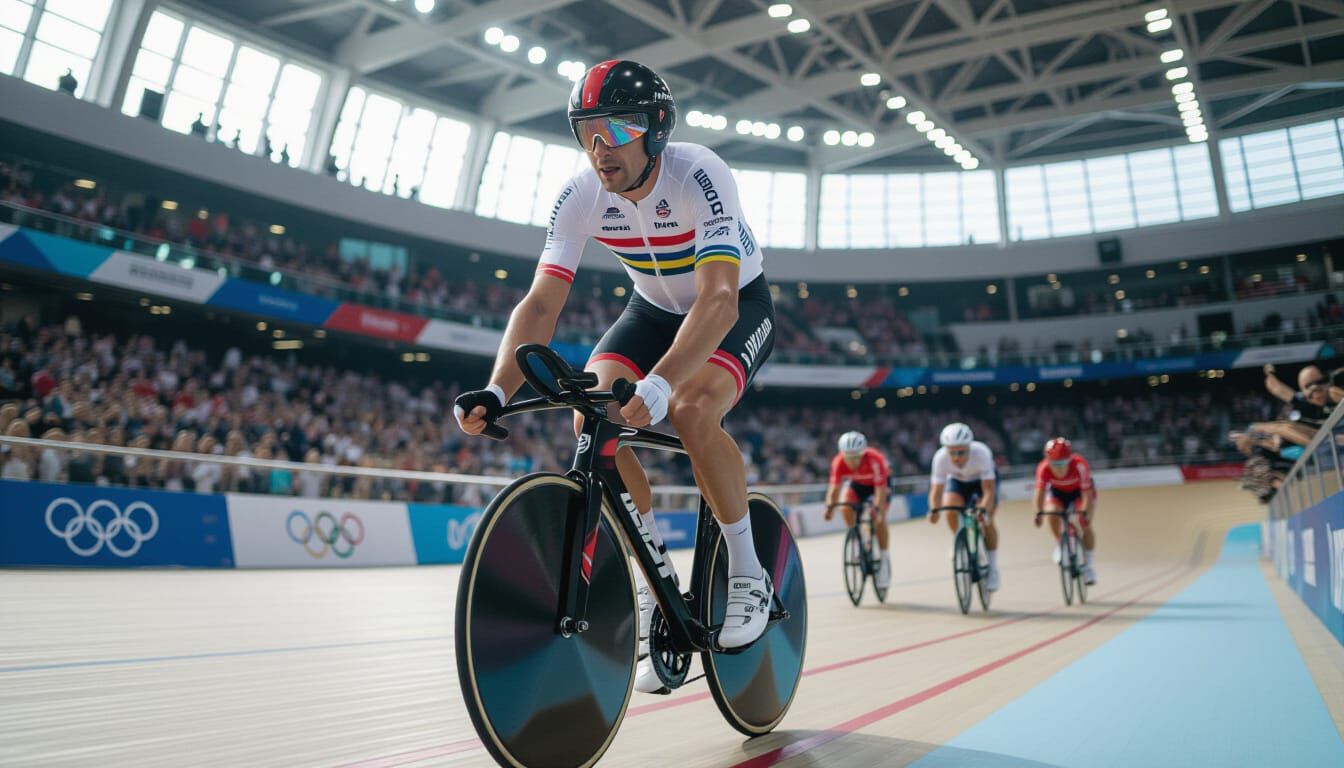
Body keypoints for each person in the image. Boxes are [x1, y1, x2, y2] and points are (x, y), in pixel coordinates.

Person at [453, 61, 776, 687]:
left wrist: (660, 384)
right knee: (590, 412)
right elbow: (540, 304)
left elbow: (717, 301)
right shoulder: (580, 195)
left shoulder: (699, 173)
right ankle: (655, 578)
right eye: (587, 132)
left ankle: (747, 570)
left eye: (615, 130)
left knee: (689, 411)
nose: (600, 149)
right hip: (650, 311)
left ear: (655, 129)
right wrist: (496, 388)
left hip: (734, 306)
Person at [927, 422, 1000, 591]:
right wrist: (933, 509)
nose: (957, 457)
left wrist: (984, 508)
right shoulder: (940, 458)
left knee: (987, 519)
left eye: (961, 452)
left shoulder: (981, 453)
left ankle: (993, 568)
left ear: (969, 448)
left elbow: (989, 490)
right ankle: (958, 539)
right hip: (958, 481)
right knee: (949, 506)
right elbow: (936, 492)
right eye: (952, 453)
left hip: (982, 483)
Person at [823, 431, 892, 589]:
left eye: (856, 457)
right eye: (849, 457)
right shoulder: (838, 462)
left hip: (878, 486)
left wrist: (878, 510)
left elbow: (881, 491)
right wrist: (829, 508)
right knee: (845, 505)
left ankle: (883, 558)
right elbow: (834, 490)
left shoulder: (875, 459)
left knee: (878, 518)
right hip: (858, 485)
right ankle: (855, 538)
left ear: (863, 453)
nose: (852, 461)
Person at [1032, 437, 1097, 585]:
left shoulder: (1080, 464)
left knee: (1084, 523)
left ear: (1070, 458)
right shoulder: (1043, 468)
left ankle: (1088, 567)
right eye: (1054, 464)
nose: (1059, 468)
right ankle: (1059, 545)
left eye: (1063, 463)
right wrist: (1038, 513)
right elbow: (1040, 493)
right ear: (1047, 461)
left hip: (1080, 493)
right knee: (1052, 513)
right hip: (1058, 494)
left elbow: (1087, 494)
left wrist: (1085, 513)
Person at [1263, 363, 1339, 432]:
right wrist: (1269, 373)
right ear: (1303, 392)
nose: (1316, 388)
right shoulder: (1307, 407)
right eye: (1309, 386)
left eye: (1321, 382)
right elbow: (1275, 387)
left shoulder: (1335, 391)